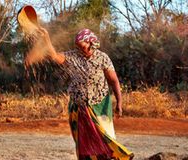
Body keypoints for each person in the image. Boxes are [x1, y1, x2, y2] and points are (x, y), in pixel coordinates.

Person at [31, 28, 134, 160]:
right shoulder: (73, 56)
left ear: (91, 42)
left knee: (104, 136)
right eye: (78, 47)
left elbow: (114, 81)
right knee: (84, 140)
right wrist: (46, 37)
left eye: (83, 46)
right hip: (79, 106)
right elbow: (54, 56)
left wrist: (119, 103)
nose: (81, 49)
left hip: (100, 104)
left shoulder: (102, 58)